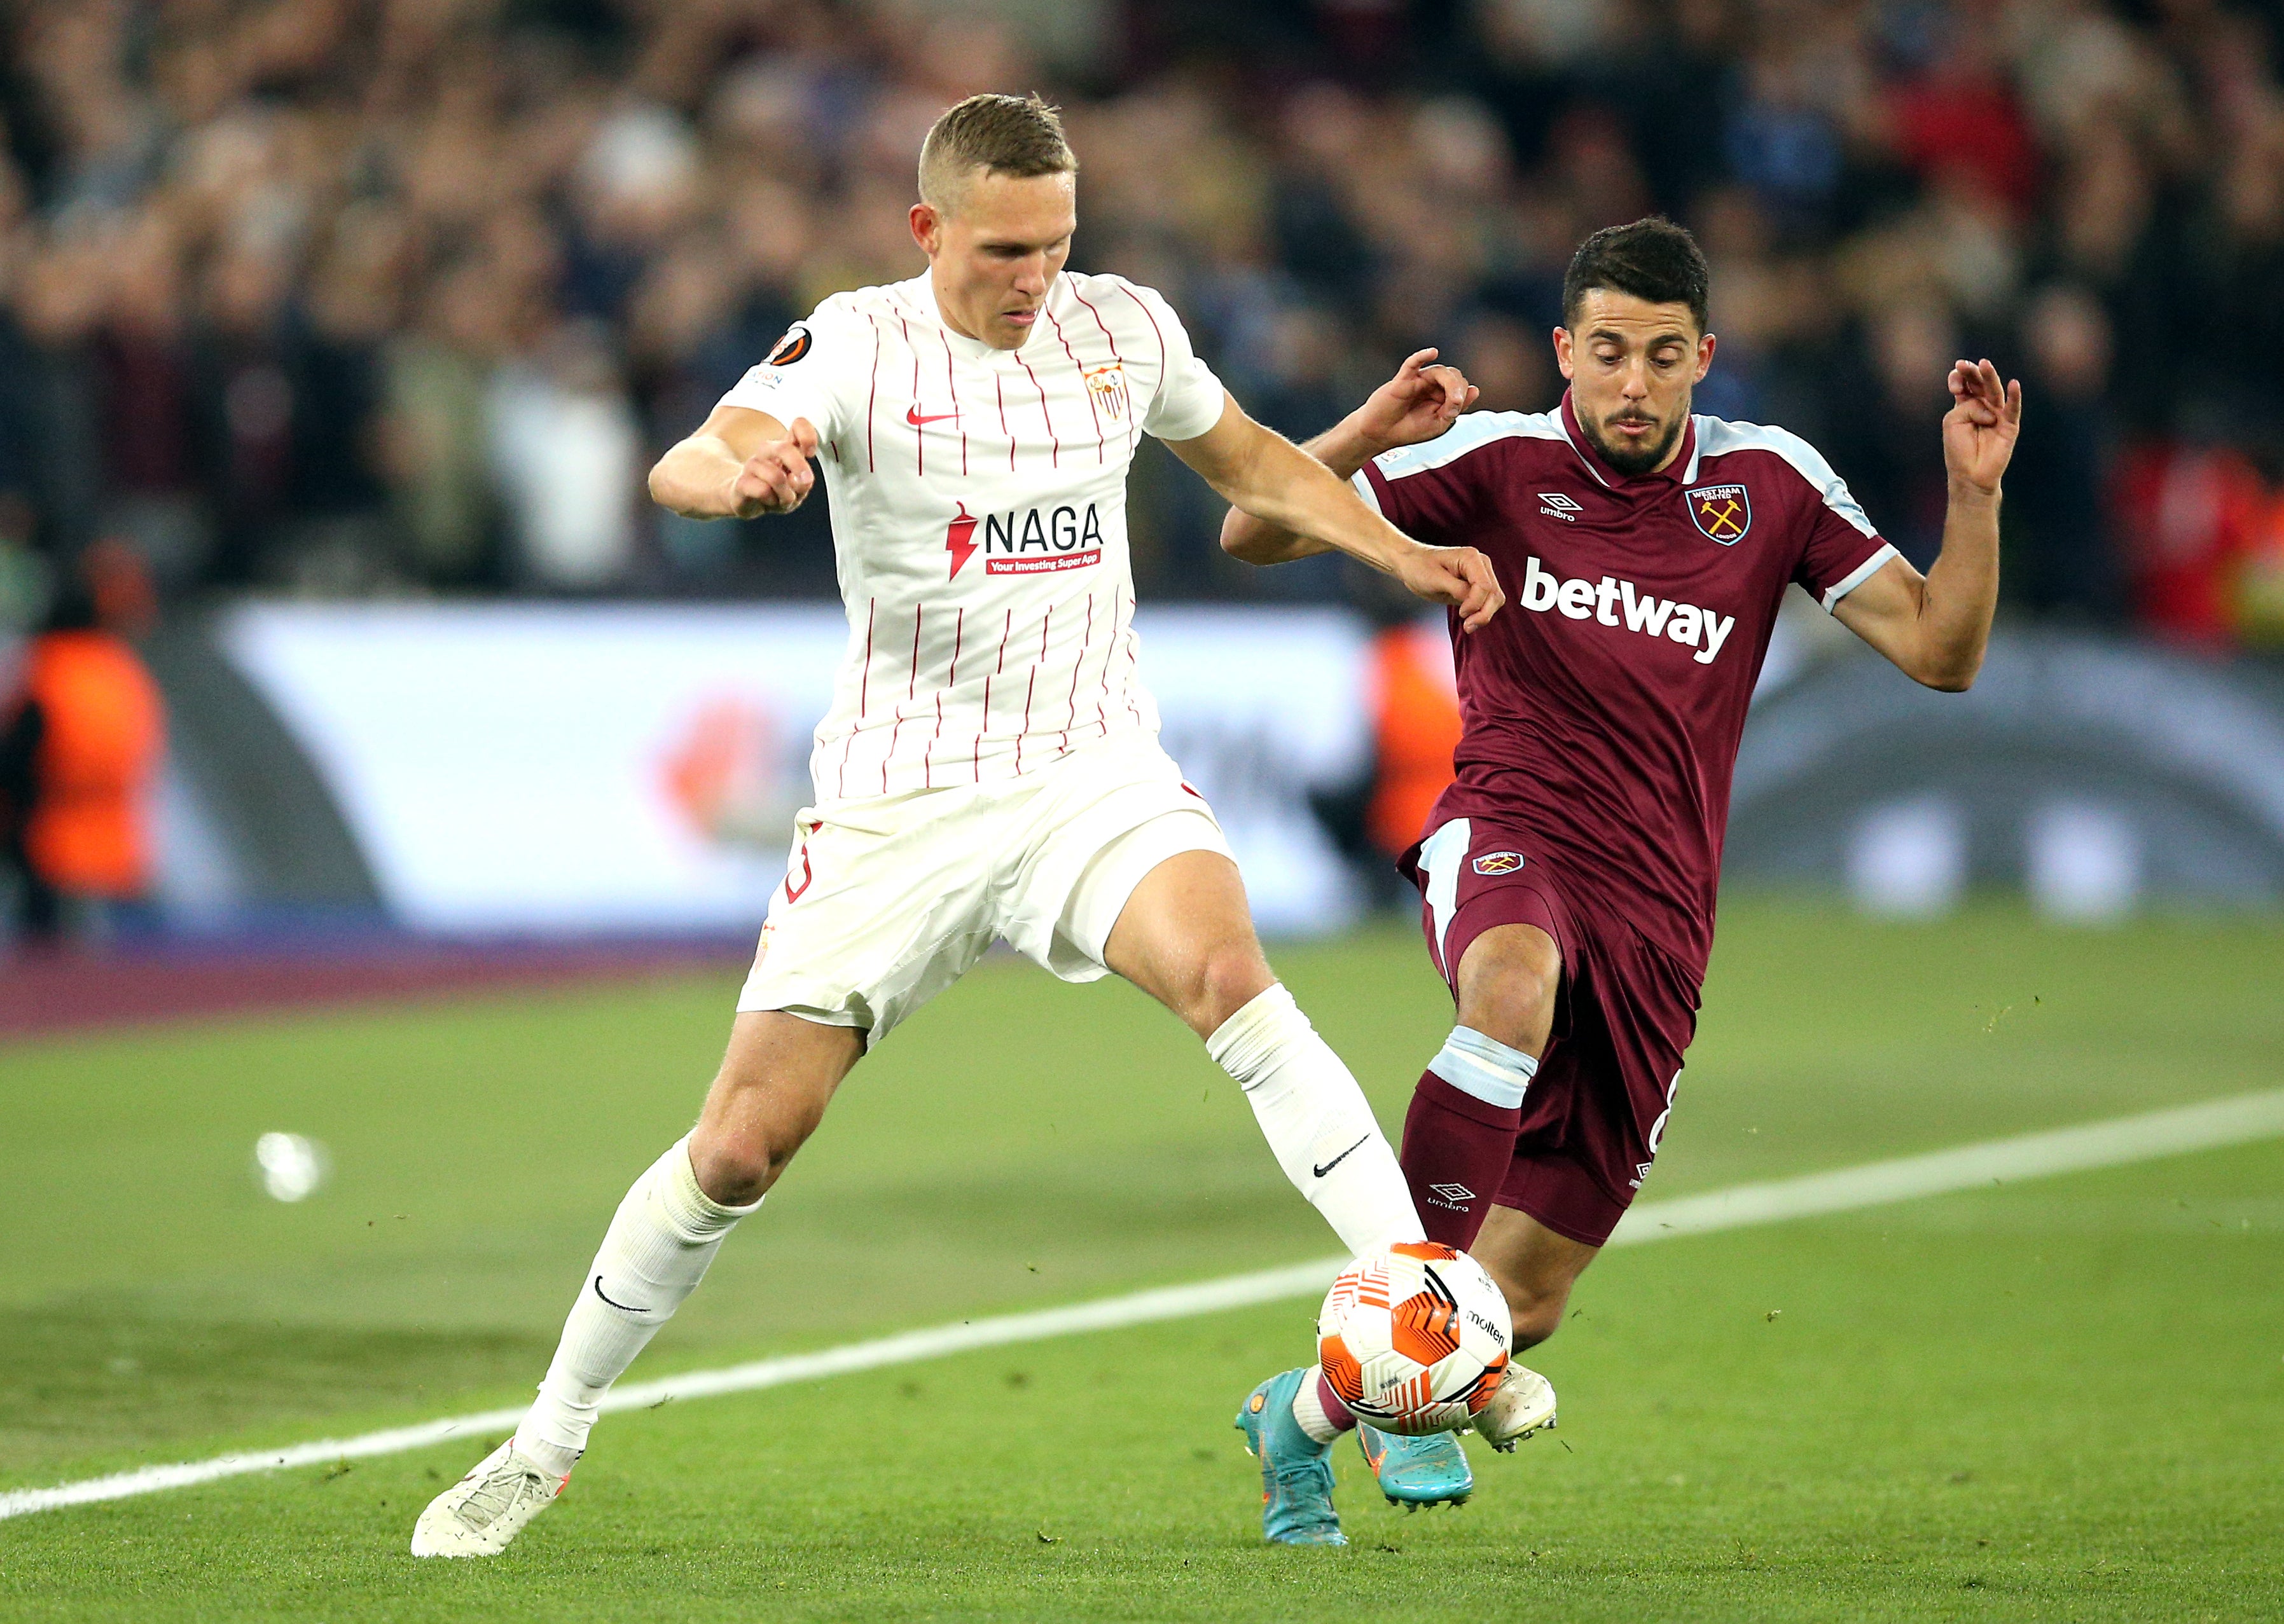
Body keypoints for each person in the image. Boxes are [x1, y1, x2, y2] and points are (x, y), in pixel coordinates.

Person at [410, 93, 1508, 1559]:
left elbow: (1252, 465)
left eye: (1057, 242)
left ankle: (1424, 1307)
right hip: (899, 796)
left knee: (1230, 976)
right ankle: (546, 1439)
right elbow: (693, 448)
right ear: (928, 228)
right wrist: (733, 478)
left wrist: (1400, 547)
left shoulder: (1123, 328)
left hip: (1088, 764)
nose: (1035, 275)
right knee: (742, 1145)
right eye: (1004, 247)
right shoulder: (857, 343)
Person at [1221, 217, 2019, 1531]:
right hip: (1511, 828)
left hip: (1661, 917)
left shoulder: (1770, 485)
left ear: (1703, 356)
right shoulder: (1492, 459)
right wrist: (1369, 426)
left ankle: (1302, 1414)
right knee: (1508, 992)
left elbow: (1942, 651)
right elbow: (1254, 529)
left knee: (1524, 1301)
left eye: (1660, 356)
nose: (1632, 384)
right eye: (1606, 353)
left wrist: (1974, 494)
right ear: (1563, 353)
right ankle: (1425, 1336)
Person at [0, 580, 165, 946]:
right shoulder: (121, 669)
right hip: (118, 839)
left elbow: (19, 756)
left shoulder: (46, 669)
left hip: (48, 838)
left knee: (48, 965)